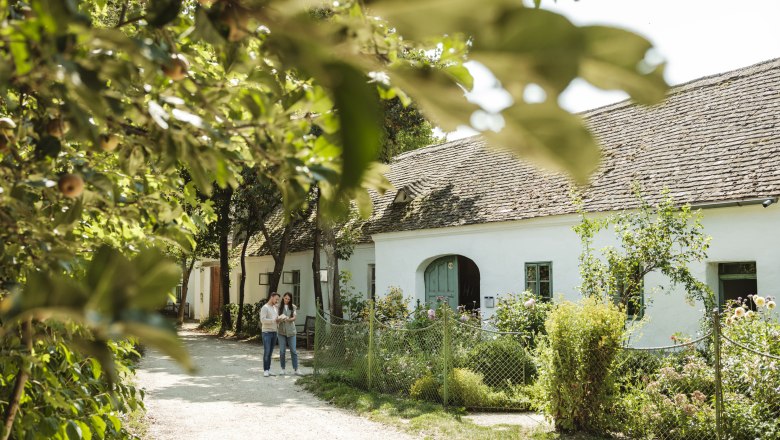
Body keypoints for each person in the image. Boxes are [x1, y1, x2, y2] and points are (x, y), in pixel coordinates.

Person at [277, 292, 302, 376]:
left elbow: (294, 318)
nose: (287, 300)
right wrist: (280, 319)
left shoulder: (293, 307)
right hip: (281, 332)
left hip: (291, 332)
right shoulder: (278, 307)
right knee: (282, 351)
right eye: (286, 298)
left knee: (293, 351)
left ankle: (296, 369)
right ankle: (282, 369)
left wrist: (288, 319)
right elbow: (276, 318)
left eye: (288, 299)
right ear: (283, 297)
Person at [260, 292, 283, 377]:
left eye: (278, 299)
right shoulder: (265, 307)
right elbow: (262, 320)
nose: (277, 301)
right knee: (267, 351)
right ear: (271, 297)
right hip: (266, 332)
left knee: (270, 352)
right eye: (276, 299)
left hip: (274, 332)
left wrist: (278, 320)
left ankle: (268, 369)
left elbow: (275, 319)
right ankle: (265, 370)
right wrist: (273, 320)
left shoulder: (275, 308)